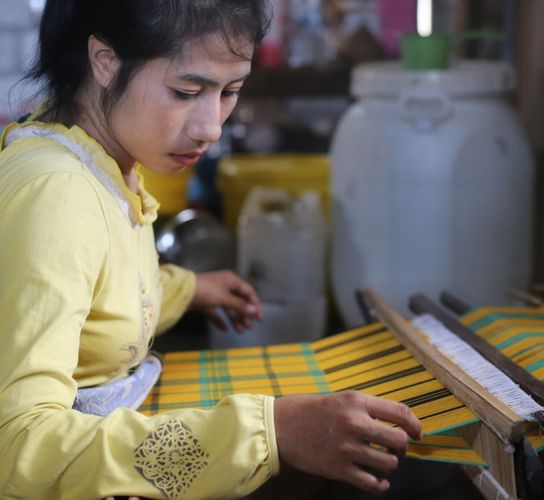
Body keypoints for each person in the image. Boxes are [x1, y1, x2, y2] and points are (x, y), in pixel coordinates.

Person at [0, 1, 422, 498]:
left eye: (230, 92)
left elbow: (91, 289)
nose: (211, 126)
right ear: (105, 61)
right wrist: (268, 434)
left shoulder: (105, 166)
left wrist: (186, 289)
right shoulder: (57, 194)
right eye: (186, 91)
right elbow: (18, 449)